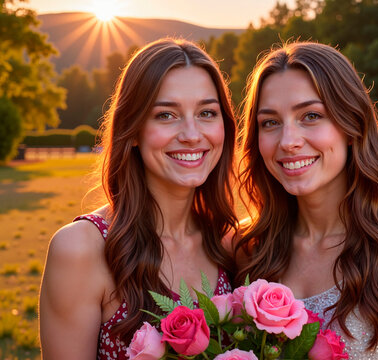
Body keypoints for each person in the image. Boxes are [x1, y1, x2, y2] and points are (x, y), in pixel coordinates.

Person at [235, 42, 378, 359]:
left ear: (351, 125)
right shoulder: (246, 247)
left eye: (311, 116)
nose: (288, 141)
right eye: (270, 122)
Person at [39, 38, 238, 359]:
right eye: (166, 115)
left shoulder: (228, 243)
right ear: (131, 130)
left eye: (206, 112)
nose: (191, 133)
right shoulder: (81, 249)